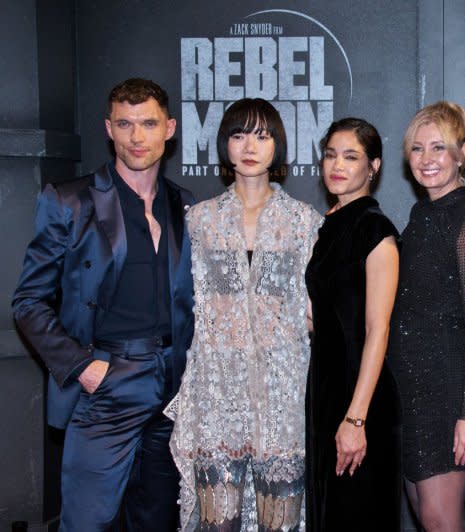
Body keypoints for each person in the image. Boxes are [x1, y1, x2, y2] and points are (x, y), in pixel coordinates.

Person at [12, 78, 194, 531]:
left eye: (148, 123)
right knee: (87, 523)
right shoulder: (70, 200)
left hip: (174, 387)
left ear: (169, 128)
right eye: (125, 124)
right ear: (108, 129)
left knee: (158, 521)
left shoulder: (186, 206)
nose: (137, 137)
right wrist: (83, 367)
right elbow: (28, 301)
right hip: (108, 382)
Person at [166, 98, 322, 531]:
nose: (249, 146)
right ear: (224, 145)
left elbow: (314, 310)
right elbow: (187, 307)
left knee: (281, 524)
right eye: (238, 135)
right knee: (218, 523)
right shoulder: (199, 221)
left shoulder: (303, 222)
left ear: (278, 146)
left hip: (283, 400)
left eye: (262, 135)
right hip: (216, 396)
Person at [388, 101, 465, 531]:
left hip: (446, 395)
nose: (427, 159)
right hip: (410, 392)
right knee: (423, 514)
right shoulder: (420, 214)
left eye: (439, 147)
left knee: (440, 521)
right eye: (417, 149)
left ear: (462, 153)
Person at [305, 117, 402, 531]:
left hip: (360, 396)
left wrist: (356, 418)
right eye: (330, 155)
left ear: (374, 166)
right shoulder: (326, 227)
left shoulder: (376, 231)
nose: (337, 166)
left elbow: (378, 330)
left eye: (351, 156)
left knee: (357, 516)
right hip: (325, 390)